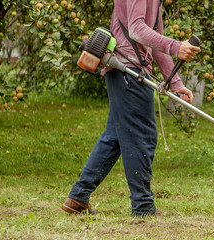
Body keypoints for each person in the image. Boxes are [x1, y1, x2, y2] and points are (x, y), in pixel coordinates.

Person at [61, 0, 201, 217]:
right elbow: (136, 29)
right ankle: (143, 206)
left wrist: (176, 83)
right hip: (128, 70)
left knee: (114, 137)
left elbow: (155, 41)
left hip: (127, 70)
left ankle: (78, 197)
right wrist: (176, 46)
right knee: (142, 135)